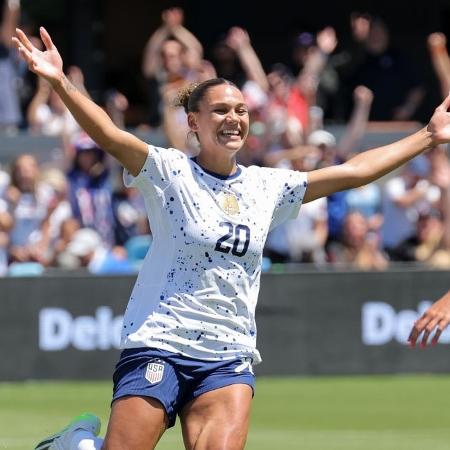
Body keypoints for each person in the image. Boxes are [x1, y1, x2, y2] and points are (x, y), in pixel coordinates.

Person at [13, 26, 450, 450]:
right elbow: (108, 134)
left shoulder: (267, 186)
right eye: (221, 110)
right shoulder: (170, 172)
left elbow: (354, 172)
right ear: (194, 122)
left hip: (228, 355)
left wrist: (427, 136)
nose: (234, 118)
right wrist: (60, 82)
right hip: (160, 341)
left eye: (240, 110)